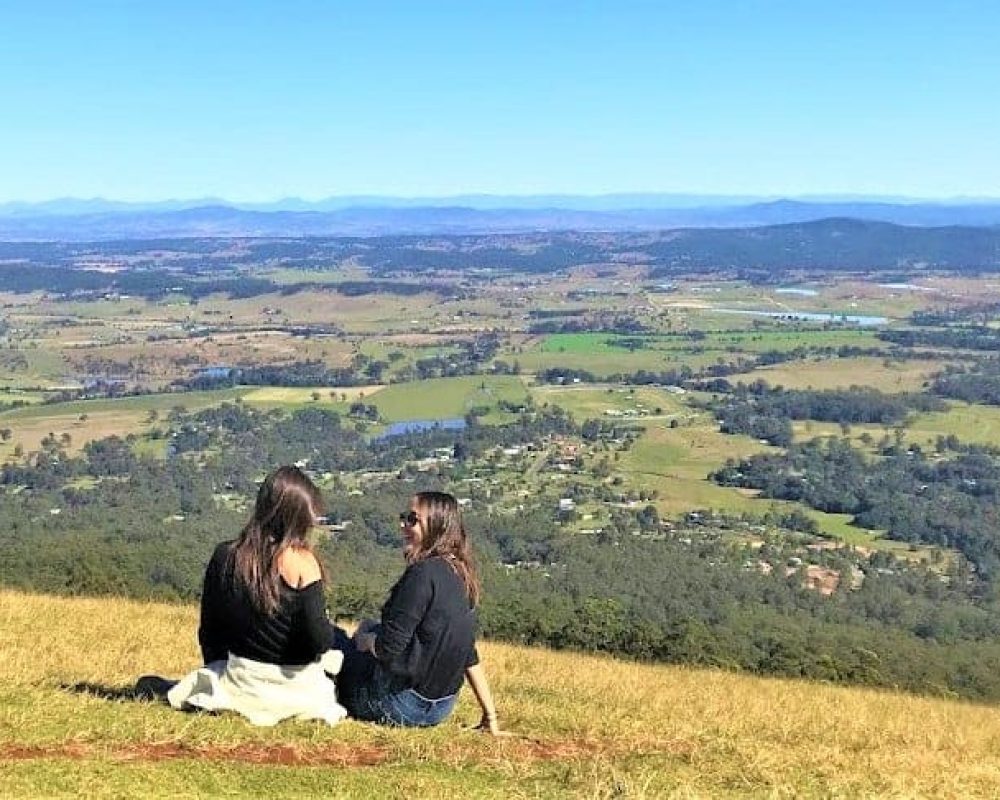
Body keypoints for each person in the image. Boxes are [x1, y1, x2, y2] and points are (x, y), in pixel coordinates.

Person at [167, 466, 346, 726]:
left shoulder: (225, 556)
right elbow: (319, 641)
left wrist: (218, 672)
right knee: (341, 645)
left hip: (241, 682)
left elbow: (210, 630)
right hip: (295, 689)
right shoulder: (303, 562)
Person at [337, 491, 501, 733]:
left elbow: (387, 648)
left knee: (341, 645)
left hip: (401, 706)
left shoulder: (421, 575)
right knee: (370, 627)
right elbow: (467, 653)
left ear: (436, 526)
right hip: (441, 709)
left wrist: (363, 639)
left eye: (413, 519)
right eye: (405, 517)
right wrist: (490, 716)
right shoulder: (462, 576)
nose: (403, 525)